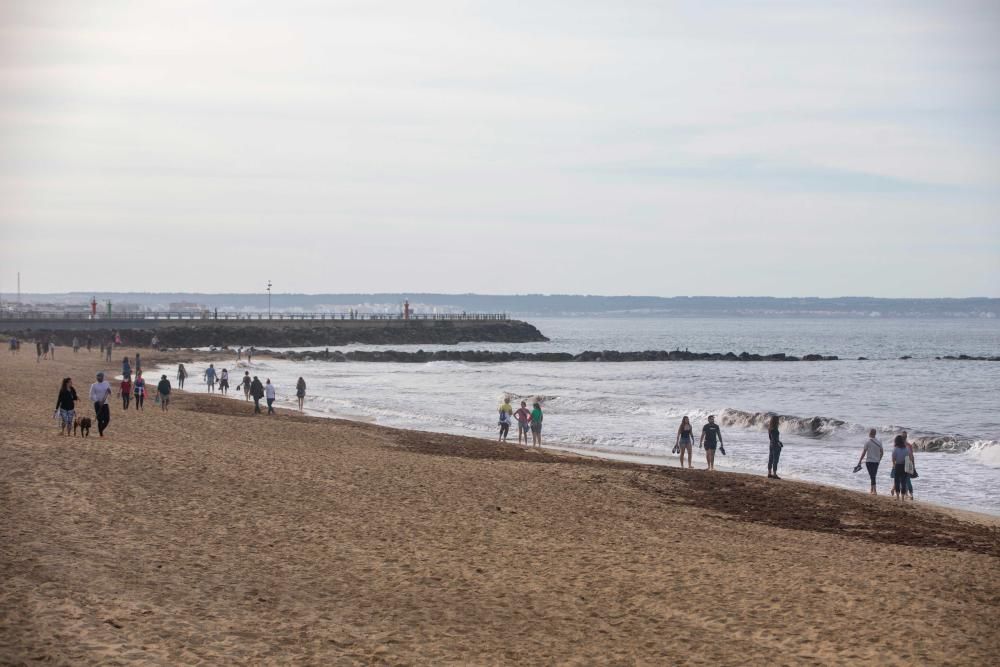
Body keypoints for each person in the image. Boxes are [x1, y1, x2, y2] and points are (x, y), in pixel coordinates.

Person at [856, 429, 884, 495]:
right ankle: (872, 489)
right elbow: (882, 452)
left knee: (872, 475)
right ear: (875, 434)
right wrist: (879, 460)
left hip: (869, 462)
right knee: (873, 475)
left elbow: (864, 452)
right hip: (876, 462)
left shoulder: (867, 442)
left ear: (870, 433)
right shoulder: (879, 442)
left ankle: (874, 491)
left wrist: (860, 461)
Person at [89, 372, 112, 437]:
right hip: (97, 404)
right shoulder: (94, 385)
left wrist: (109, 391)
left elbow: (110, 392)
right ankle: (101, 434)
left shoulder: (106, 383)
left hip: (105, 403)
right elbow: (91, 395)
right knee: (100, 419)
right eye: (98, 377)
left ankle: (100, 430)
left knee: (107, 419)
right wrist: (97, 401)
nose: (99, 378)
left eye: (100, 377)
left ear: (103, 377)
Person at [891, 434, 911, 500]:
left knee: (896, 481)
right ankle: (902, 497)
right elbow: (908, 458)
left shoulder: (895, 449)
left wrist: (894, 466)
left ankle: (897, 497)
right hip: (904, 466)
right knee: (903, 482)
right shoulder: (906, 449)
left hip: (897, 466)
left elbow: (893, 459)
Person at [767, 415, 783, 479]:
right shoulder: (775, 429)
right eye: (778, 420)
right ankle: (774, 474)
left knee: (770, 459)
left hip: (771, 445)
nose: (778, 421)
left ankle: (769, 473)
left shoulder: (770, 428)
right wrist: (779, 443)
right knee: (775, 460)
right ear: (775, 421)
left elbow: (770, 438)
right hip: (775, 445)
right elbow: (775, 439)